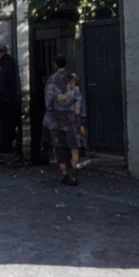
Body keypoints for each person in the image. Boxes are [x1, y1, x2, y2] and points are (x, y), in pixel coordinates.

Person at [45, 55, 84, 185]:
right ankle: (74, 172)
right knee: (74, 145)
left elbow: (48, 102)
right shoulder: (72, 78)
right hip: (72, 117)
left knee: (59, 145)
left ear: (55, 64)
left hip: (57, 117)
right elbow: (79, 97)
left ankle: (64, 173)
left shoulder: (52, 79)